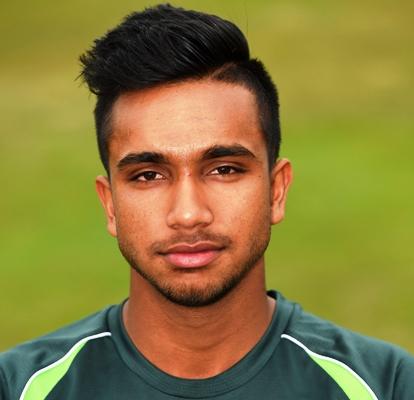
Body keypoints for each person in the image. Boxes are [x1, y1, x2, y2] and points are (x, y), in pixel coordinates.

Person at [0, 4, 412, 399]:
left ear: (277, 190)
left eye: (225, 169)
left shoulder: (388, 385)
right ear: (109, 204)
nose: (189, 214)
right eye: (147, 176)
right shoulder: (17, 386)